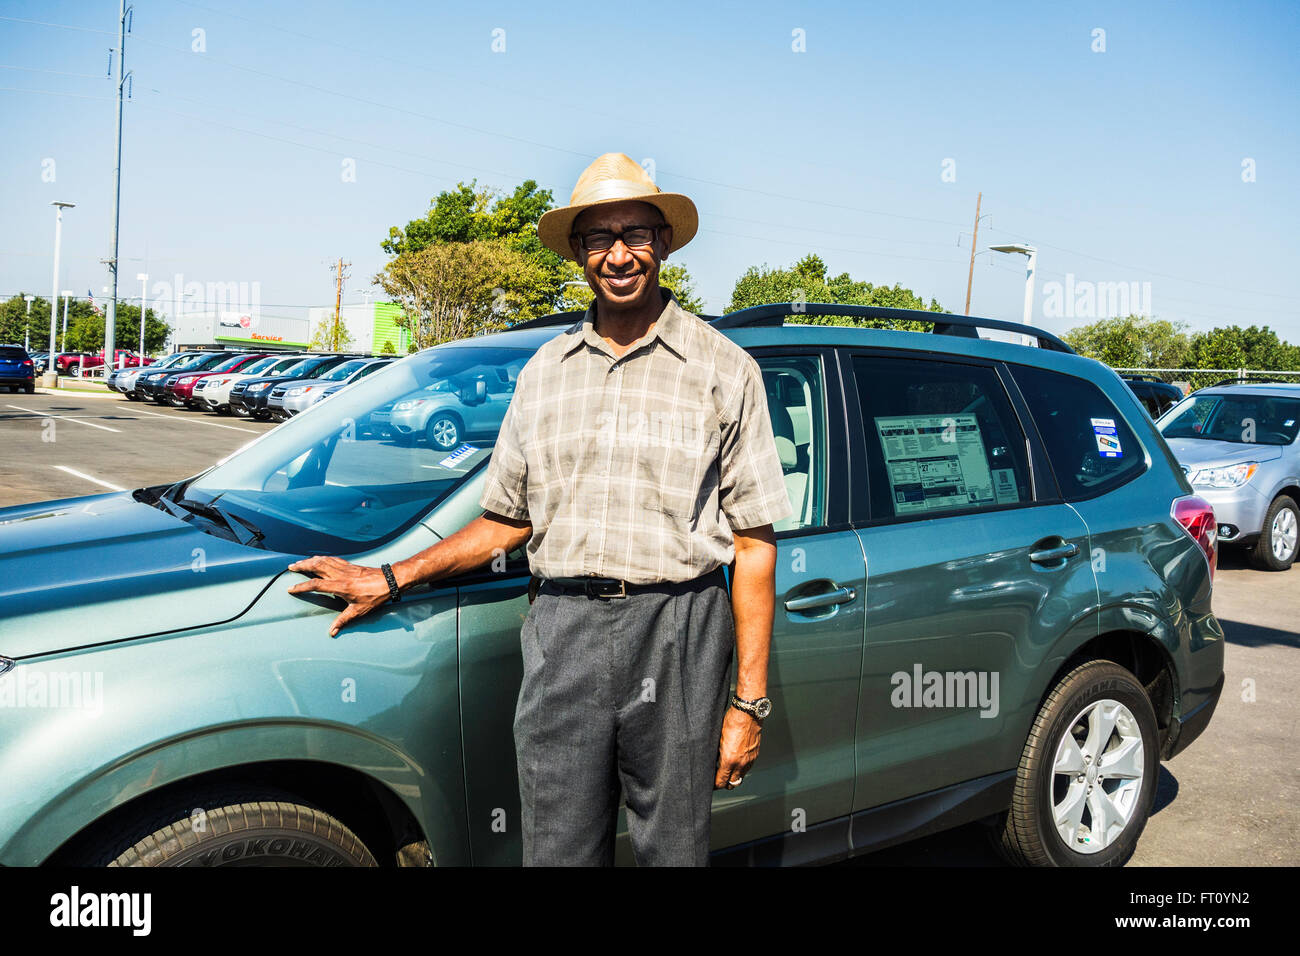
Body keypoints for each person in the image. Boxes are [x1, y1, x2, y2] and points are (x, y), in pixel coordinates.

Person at [287, 152, 792, 865]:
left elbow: (755, 542)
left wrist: (747, 705)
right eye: (599, 238)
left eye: (637, 234)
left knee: (674, 850)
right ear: (580, 255)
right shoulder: (544, 374)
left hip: (681, 629)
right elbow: (505, 520)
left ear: (665, 243)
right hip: (564, 631)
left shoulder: (723, 370)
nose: (619, 254)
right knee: (557, 850)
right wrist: (391, 576)